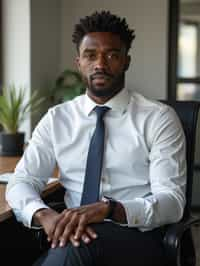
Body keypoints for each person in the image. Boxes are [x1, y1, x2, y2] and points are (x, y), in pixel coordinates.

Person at [6, 10, 186, 266]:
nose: (100, 64)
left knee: (71, 252)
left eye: (112, 55)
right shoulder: (57, 118)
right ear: (78, 62)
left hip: (136, 235)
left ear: (126, 61)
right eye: (90, 55)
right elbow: (23, 180)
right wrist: (45, 215)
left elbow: (172, 201)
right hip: (70, 232)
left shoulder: (158, 119)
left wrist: (112, 209)